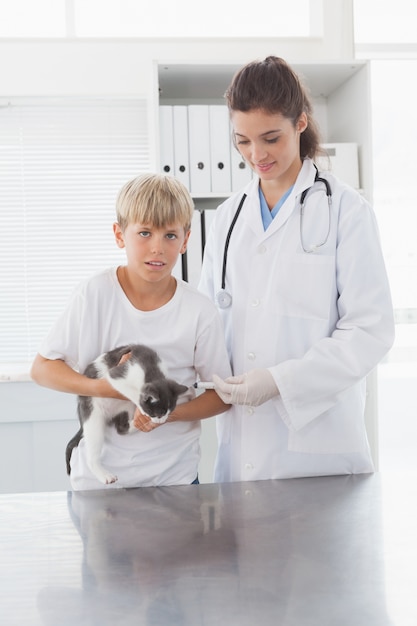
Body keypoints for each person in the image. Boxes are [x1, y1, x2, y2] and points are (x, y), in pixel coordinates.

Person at [198, 56, 395, 482]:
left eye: (271, 138)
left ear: (301, 123)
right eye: (243, 142)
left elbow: (370, 330)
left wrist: (280, 381)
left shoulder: (346, 211)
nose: (257, 155)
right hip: (241, 454)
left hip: (318, 454)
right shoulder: (228, 218)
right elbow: (206, 321)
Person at [30, 173, 231, 490]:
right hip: (99, 488)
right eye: (145, 233)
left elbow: (222, 397)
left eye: (170, 236)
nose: (157, 248)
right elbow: (42, 369)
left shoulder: (199, 310)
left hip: (175, 480)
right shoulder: (94, 294)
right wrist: (104, 390)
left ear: (186, 239)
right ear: (119, 234)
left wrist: (165, 415)